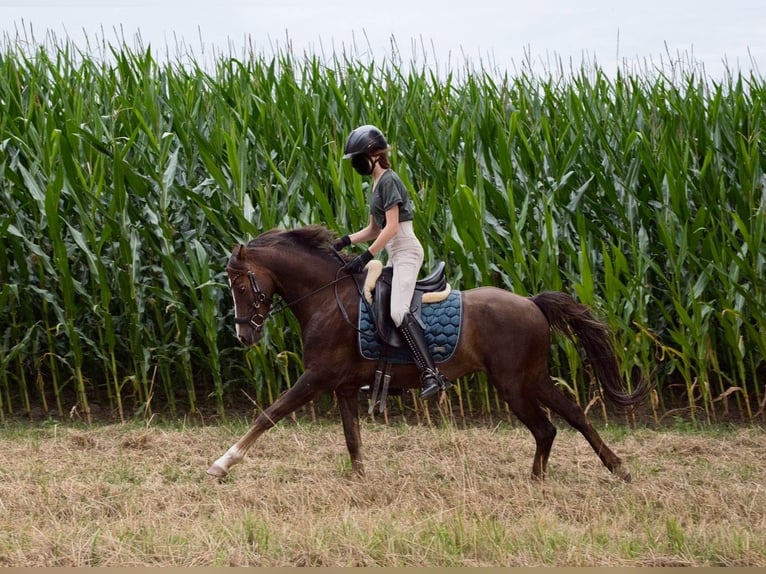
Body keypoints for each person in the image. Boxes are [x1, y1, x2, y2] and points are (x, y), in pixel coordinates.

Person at [333, 124, 449, 400]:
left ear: (374, 153)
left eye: (359, 157)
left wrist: (367, 255)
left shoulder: (389, 180)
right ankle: (392, 375)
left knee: (398, 311)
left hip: (407, 251)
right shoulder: (375, 185)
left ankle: (432, 374)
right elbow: (374, 228)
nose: (357, 164)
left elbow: (393, 226)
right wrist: (345, 240)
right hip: (395, 253)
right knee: (376, 302)